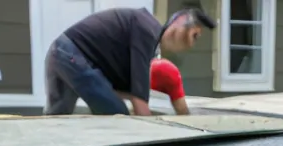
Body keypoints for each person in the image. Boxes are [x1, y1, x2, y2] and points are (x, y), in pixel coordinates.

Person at [44, 7, 214, 117]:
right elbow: (139, 102)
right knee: (118, 117)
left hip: (58, 52)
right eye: (195, 36)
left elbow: (121, 91)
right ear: (178, 24)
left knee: (56, 119)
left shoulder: (146, 36)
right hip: (72, 56)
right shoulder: (148, 31)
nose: (192, 44)